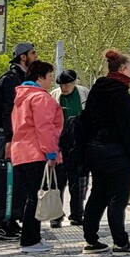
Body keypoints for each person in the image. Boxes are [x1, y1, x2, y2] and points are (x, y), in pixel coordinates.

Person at [80, 49, 130, 255]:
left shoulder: (96, 90)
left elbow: (85, 122)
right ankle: (121, 242)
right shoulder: (121, 94)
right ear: (123, 69)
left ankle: (91, 240)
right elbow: (127, 129)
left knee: (98, 194)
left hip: (95, 151)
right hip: (118, 154)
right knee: (119, 198)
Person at [10, 61, 64, 253]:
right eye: (49, 76)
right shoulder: (41, 98)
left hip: (20, 153)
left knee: (31, 197)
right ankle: (30, 241)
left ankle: (32, 239)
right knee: (37, 198)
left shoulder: (21, 98)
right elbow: (45, 127)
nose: (51, 81)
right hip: (36, 153)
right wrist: (51, 152)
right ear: (40, 77)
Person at [0, 42, 37, 241]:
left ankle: (10, 219)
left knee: (14, 179)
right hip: (7, 136)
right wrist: (9, 139)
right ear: (23, 57)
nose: (36, 56)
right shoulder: (11, 80)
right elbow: (9, 111)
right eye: (33, 53)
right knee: (5, 178)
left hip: (13, 136)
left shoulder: (20, 78)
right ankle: (0, 223)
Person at [50, 69, 90, 227]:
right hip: (60, 144)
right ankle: (56, 215)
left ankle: (77, 214)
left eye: (67, 85)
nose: (64, 88)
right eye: (61, 85)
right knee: (58, 183)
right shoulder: (54, 95)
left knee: (79, 182)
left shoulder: (84, 93)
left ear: (75, 82)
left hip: (79, 143)